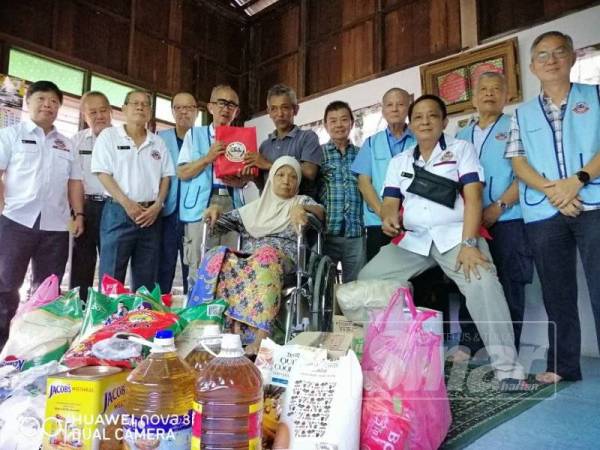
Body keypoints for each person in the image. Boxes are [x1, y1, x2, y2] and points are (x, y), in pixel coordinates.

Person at [358, 94, 524, 384]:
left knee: (484, 285)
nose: (425, 121)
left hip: (457, 237)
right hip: (415, 241)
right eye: (418, 116)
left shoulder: (462, 149)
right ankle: (389, 356)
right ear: (411, 124)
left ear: (444, 121)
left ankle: (507, 370)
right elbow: (389, 200)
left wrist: (470, 244)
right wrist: (388, 217)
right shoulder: (400, 161)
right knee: (367, 278)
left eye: (432, 115)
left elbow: (473, 199)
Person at [506, 31, 600, 383]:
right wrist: (555, 191)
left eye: (559, 52)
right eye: (542, 55)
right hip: (544, 209)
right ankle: (564, 366)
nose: (551, 60)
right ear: (532, 67)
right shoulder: (522, 113)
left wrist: (576, 181)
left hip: (593, 201)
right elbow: (518, 163)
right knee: (556, 292)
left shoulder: (595, 96)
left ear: (573, 57)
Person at [194, 156, 324, 353]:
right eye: (280, 175)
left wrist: (302, 209)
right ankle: (207, 325)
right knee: (217, 255)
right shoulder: (253, 208)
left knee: (266, 256)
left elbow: (321, 213)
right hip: (249, 260)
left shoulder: (301, 201)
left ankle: (260, 339)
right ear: (271, 178)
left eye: (292, 177)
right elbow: (219, 224)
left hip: (282, 260)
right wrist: (215, 210)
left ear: (298, 182)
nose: (286, 180)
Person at [455, 72, 534, 356]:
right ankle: (469, 342)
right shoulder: (461, 135)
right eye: (483, 89)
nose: (489, 93)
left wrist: (498, 207)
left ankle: (507, 348)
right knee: (472, 277)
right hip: (470, 223)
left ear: (506, 95)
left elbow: (525, 175)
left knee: (510, 281)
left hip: (509, 219)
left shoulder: (517, 127)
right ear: (474, 97)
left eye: (496, 89)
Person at [0, 80, 84, 345]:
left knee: (48, 288)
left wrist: (79, 214)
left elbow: (74, 182)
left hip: (56, 226)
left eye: (54, 102)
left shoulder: (67, 144)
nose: (48, 105)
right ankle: (4, 342)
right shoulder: (10, 135)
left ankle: (37, 345)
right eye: (41, 99)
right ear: (28, 102)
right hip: (16, 220)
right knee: (5, 284)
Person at [91, 90, 174, 291]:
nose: (140, 107)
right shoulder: (109, 136)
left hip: (150, 217)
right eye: (135, 103)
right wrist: (127, 204)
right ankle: (108, 320)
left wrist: (157, 205)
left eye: (145, 104)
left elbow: (166, 176)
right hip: (118, 213)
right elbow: (102, 173)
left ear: (150, 112)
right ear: (124, 108)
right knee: (112, 276)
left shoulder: (158, 142)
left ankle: (141, 320)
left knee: (146, 279)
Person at [177, 84, 248, 287]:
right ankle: (196, 314)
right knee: (199, 263)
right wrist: (208, 157)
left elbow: (247, 180)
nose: (226, 109)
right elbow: (182, 173)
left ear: (237, 111)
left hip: (232, 204)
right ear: (210, 107)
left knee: (230, 264)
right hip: (201, 204)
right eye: (221, 103)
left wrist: (241, 180)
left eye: (231, 105)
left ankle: (223, 316)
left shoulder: (241, 139)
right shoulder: (194, 135)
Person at [351, 88, 416, 261]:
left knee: (420, 280)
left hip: (415, 221)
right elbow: (364, 183)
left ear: (409, 108)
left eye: (400, 104)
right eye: (389, 105)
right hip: (377, 222)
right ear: (383, 110)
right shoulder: (372, 142)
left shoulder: (420, 139)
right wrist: (384, 214)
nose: (395, 109)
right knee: (381, 281)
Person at [69, 91, 112, 301]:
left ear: (111, 112)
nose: (99, 116)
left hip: (114, 207)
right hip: (85, 208)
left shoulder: (122, 139)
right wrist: (75, 213)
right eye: (92, 112)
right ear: (84, 115)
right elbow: (70, 180)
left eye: (103, 110)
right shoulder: (75, 142)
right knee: (82, 261)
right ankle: (80, 307)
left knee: (112, 262)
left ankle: (109, 309)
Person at [245, 84, 322, 198]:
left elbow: (310, 172)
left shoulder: (307, 137)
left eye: (285, 107)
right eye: (274, 109)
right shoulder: (265, 146)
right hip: (270, 211)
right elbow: (263, 186)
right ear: (269, 112)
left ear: (295, 110)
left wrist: (267, 164)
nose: (279, 114)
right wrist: (252, 177)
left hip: (299, 210)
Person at [156, 92, 198, 294]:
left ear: (197, 112)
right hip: (167, 213)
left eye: (189, 107)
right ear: (172, 111)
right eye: (178, 108)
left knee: (193, 268)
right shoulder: (160, 139)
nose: (184, 112)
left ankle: (191, 313)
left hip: (194, 214)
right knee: (163, 266)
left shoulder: (203, 138)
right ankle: (159, 313)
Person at [319, 101, 365, 282]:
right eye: (333, 121)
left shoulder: (362, 153)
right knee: (324, 286)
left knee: (356, 287)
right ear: (325, 125)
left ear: (352, 123)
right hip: (327, 232)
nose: (339, 125)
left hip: (356, 232)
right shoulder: (318, 153)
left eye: (344, 120)